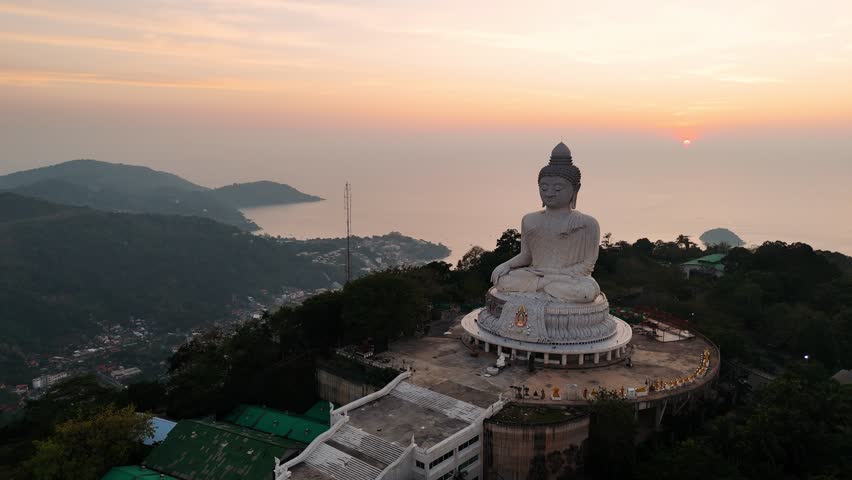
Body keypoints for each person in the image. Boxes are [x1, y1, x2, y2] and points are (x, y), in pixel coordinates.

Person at [490, 143, 601, 303]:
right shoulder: (529, 219)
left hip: (568, 279)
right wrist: (506, 265)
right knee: (502, 280)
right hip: (537, 275)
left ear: (576, 189)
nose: (549, 193)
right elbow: (527, 256)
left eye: (557, 189)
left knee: (586, 292)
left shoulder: (587, 224)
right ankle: (546, 286)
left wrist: (555, 276)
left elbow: (587, 265)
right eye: (544, 188)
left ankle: (545, 286)